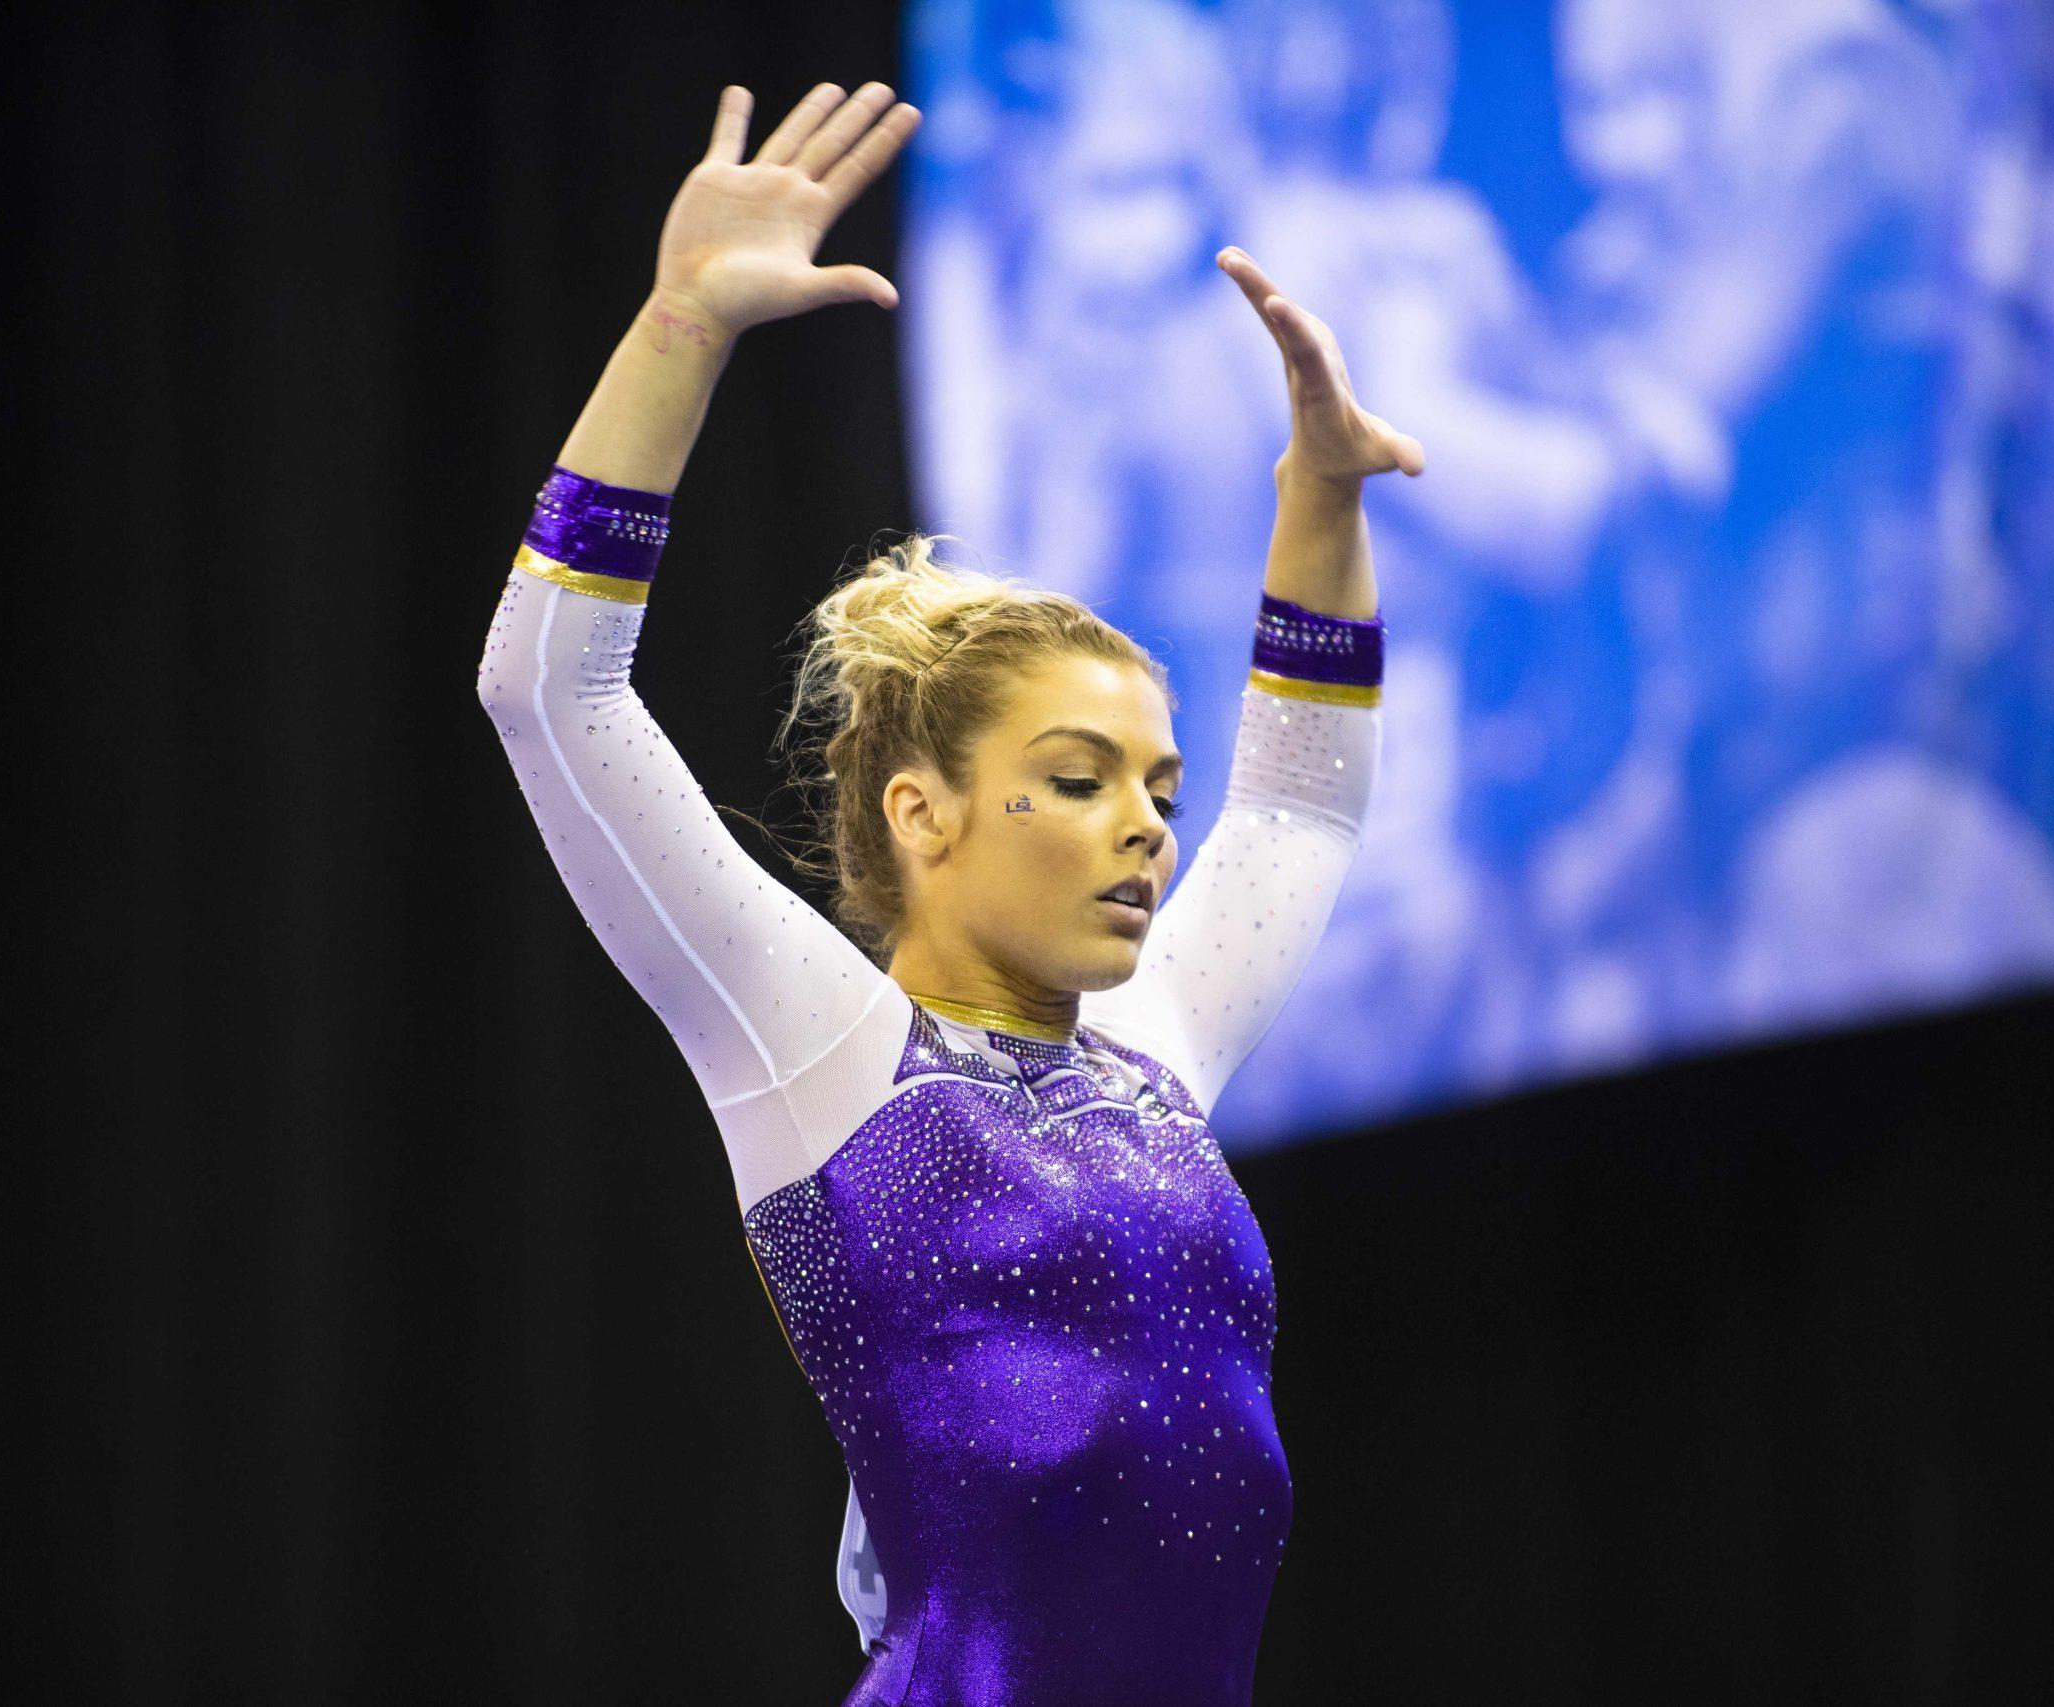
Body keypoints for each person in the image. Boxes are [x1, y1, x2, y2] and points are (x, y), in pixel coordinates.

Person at [477, 78, 1422, 1706]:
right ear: (921, 812)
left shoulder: (1159, 1045)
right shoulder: (825, 1053)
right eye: (1076, 780)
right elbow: (551, 691)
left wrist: (1317, 496)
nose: (1146, 831)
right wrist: (681, 328)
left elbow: (1302, 804)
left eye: (1156, 791)